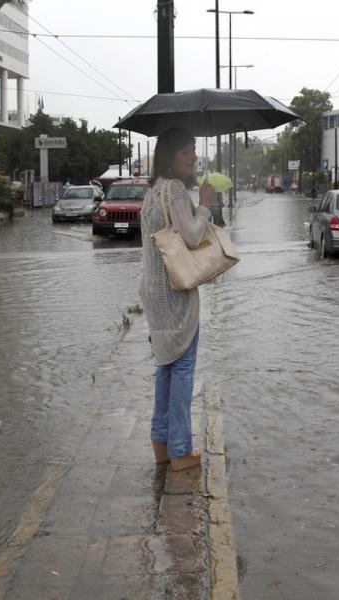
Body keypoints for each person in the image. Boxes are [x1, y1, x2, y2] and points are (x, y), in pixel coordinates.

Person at [139, 128, 216, 471]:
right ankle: (181, 450)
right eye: (186, 151)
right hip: (175, 290)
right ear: (170, 156)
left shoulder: (152, 191)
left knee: (166, 367)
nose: (193, 157)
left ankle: (162, 446)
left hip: (153, 290)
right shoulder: (175, 190)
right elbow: (193, 236)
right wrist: (206, 206)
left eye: (194, 151)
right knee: (182, 367)